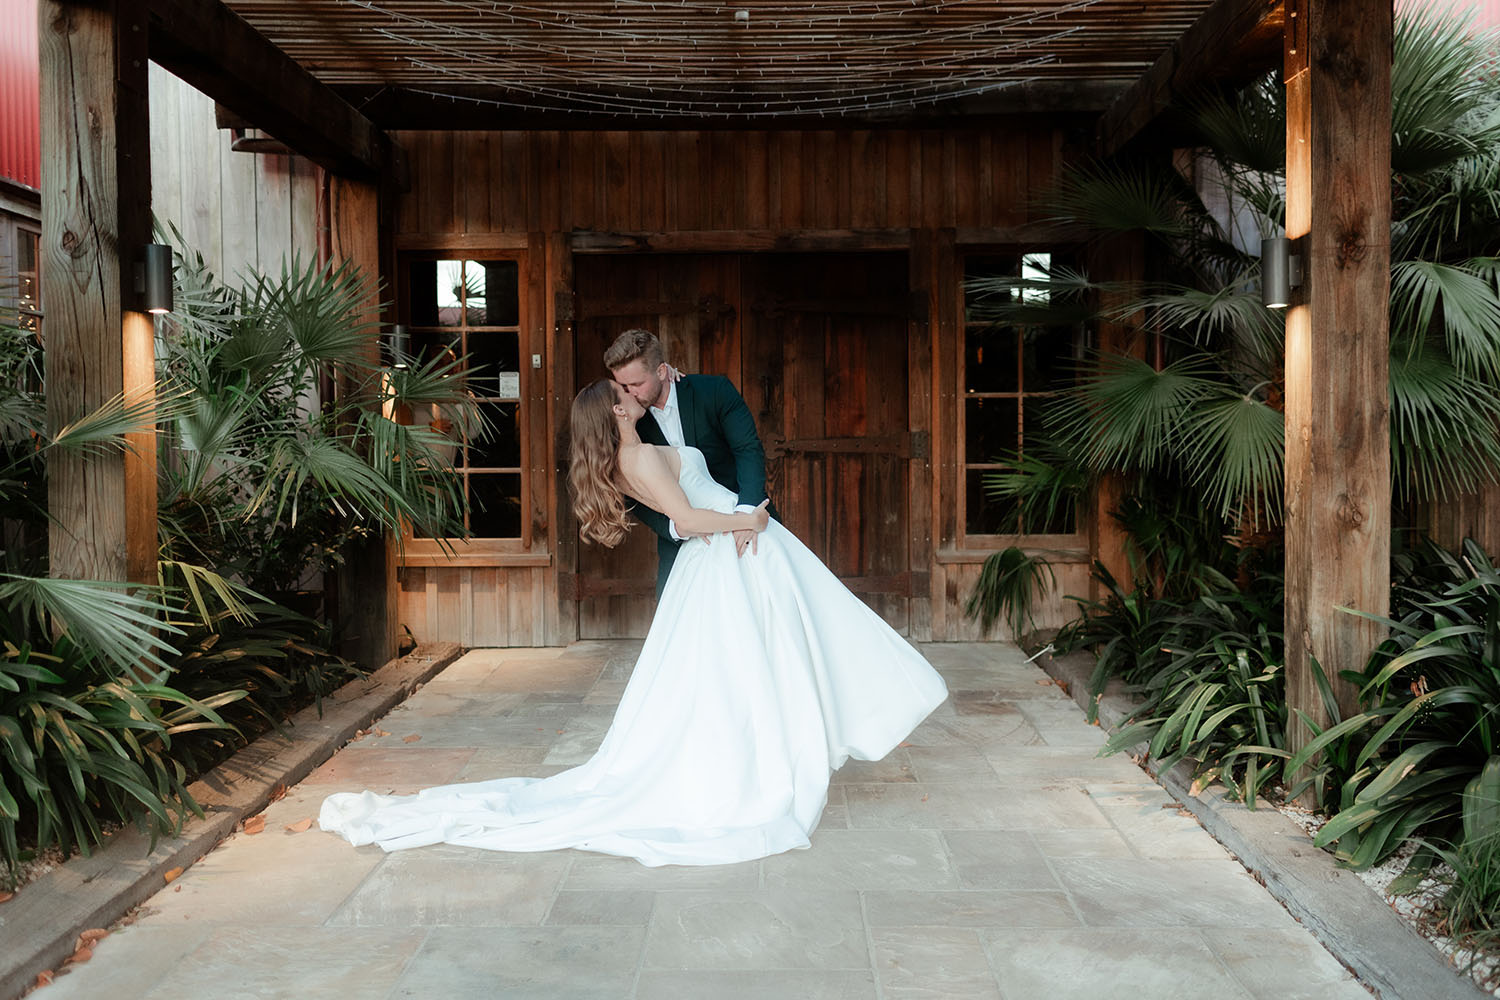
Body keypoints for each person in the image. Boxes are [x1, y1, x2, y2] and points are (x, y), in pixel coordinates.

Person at [317, 379, 949, 867]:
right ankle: (765, 764)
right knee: (768, 659)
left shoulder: (633, 453)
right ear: (615, 412)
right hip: (730, 551)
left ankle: (792, 744)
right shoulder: (639, 459)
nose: (634, 397)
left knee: (792, 648)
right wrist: (749, 521)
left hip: (732, 559)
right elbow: (688, 522)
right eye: (625, 395)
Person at [605, 329, 777, 598]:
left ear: (662, 371)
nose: (630, 393)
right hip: (684, 543)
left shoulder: (714, 391)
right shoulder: (630, 420)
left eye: (636, 384)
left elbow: (747, 450)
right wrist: (676, 527)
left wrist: (745, 514)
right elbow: (631, 491)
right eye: (623, 387)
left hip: (743, 523)